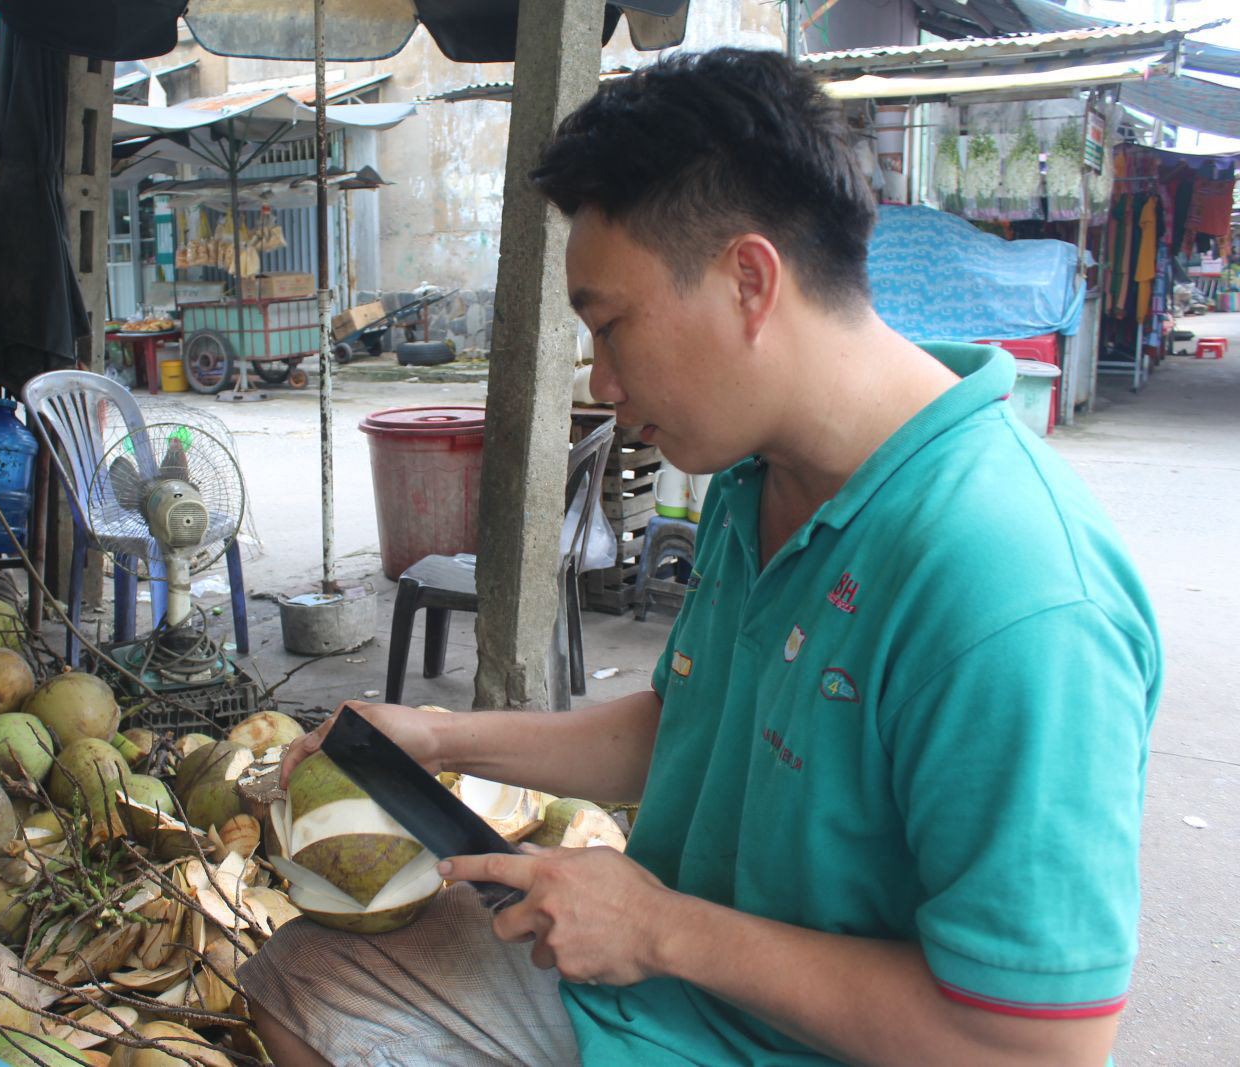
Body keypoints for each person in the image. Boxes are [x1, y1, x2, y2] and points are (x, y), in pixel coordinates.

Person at [238, 48, 1161, 1067]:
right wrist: (439, 738)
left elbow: (1038, 1048)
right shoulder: (751, 478)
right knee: (300, 982)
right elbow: (687, 722)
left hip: (789, 1028)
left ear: (748, 283)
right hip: (667, 1004)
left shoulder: (1013, 591)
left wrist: (663, 927)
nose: (602, 381)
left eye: (610, 327)